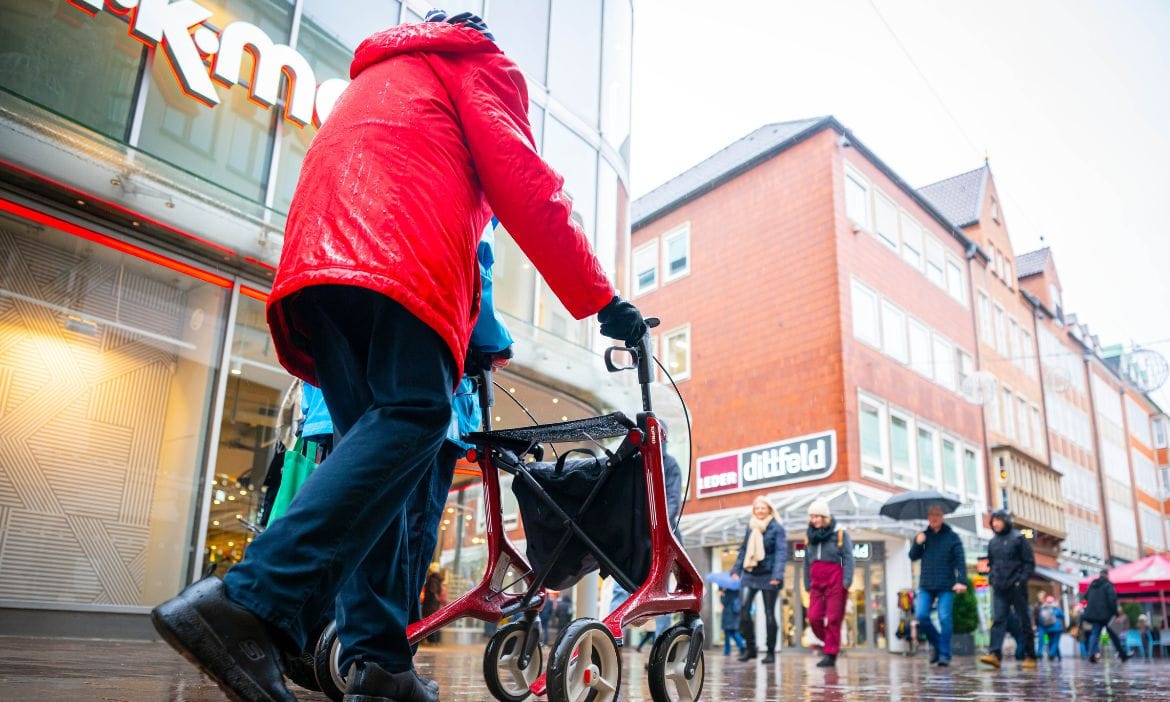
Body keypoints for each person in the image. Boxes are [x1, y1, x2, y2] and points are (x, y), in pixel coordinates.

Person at [150, 10, 646, 702]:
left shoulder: (382, 75)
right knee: (415, 416)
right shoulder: (478, 66)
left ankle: (381, 665)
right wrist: (601, 300)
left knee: (376, 466)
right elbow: (526, 181)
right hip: (399, 255)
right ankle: (246, 603)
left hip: (321, 262)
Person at [908, 505, 967, 667]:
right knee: (921, 616)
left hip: (946, 585)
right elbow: (912, 556)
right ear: (928, 517)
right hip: (926, 584)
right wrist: (917, 543)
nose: (933, 518)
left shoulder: (952, 537)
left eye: (937, 515)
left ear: (942, 517)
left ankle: (944, 655)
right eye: (931, 515)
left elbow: (960, 561)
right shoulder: (924, 536)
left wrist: (962, 581)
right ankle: (938, 645)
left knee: (944, 618)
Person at [731, 496, 788, 663]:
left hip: (769, 575)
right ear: (754, 511)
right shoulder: (751, 527)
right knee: (743, 611)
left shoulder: (777, 528)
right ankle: (751, 648)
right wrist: (736, 569)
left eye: (763, 508)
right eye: (757, 508)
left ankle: (770, 652)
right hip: (750, 573)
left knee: (769, 614)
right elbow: (743, 550)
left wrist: (777, 576)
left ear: (770, 509)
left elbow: (781, 553)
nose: (760, 511)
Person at [979, 510, 1037, 670]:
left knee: (1023, 620)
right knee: (998, 619)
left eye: (998, 520)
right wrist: (992, 578)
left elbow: (1029, 563)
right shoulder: (993, 542)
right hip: (999, 587)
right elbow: (991, 563)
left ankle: (1030, 655)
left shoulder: (1019, 538)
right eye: (993, 521)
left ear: (1005, 521)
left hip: (1017, 586)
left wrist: (1021, 580)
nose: (995, 524)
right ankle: (994, 654)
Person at [802, 498, 853, 668]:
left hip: (835, 580)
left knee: (833, 618)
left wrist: (846, 581)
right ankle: (832, 644)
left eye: (817, 516)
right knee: (813, 617)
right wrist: (807, 582)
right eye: (812, 516)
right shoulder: (809, 536)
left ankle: (830, 654)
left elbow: (848, 557)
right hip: (816, 582)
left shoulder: (839, 533)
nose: (814, 520)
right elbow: (806, 562)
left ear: (825, 516)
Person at [1083, 569, 1129, 663]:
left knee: (1094, 634)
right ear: (1107, 575)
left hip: (1095, 615)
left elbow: (1086, 596)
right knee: (1114, 635)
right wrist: (1115, 613)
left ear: (1100, 575)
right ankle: (1122, 655)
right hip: (1107, 615)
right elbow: (1112, 600)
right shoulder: (1108, 585)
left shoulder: (1092, 585)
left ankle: (1091, 654)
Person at [421, 564, 446, 645]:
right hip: (435, 604)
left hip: (430, 604)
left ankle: (432, 640)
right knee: (434, 621)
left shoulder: (432, 579)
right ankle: (435, 640)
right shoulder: (438, 579)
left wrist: (436, 599)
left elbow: (433, 591)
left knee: (430, 621)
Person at [1035, 595, 1064, 660]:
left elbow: (1040, 619)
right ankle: (1051, 653)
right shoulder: (1056, 608)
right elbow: (1062, 615)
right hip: (1057, 628)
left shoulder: (1043, 608)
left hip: (1048, 628)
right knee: (1055, 642)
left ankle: (1058, 656)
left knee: (1050, 641)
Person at [720, 587, 746, 657]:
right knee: (733, 632)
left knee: (728, 634)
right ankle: (742, 646)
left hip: (728, 615)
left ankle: (727, 651)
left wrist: (722, 595)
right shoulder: (736, 590)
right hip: (734, 615)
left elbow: (724, 602)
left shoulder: (728, 592)